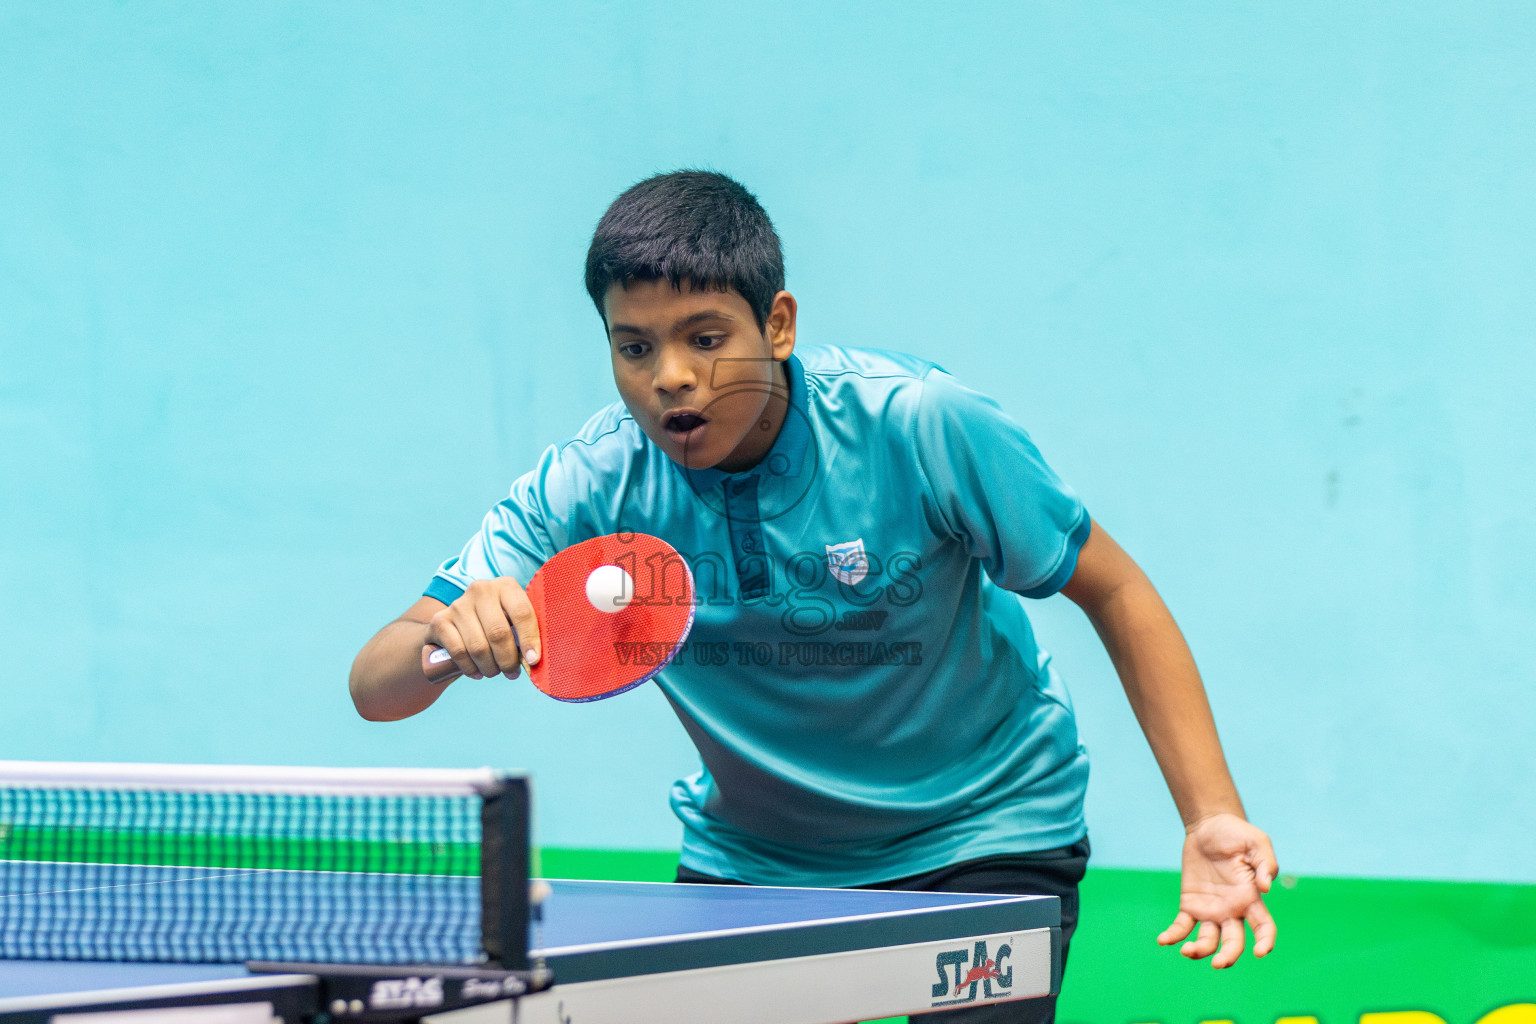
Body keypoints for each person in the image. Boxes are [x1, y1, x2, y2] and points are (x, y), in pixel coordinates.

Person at [349, 170, 1277, 1021]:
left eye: (705, 338)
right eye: (634, 347)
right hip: (755, 860)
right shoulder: (590, 485)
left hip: (983, 829)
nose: (669, 375)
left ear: (778, 325)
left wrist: (1210, 815)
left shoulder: (916, 423)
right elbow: (375, 685)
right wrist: (443, 642)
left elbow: (1115, 589)